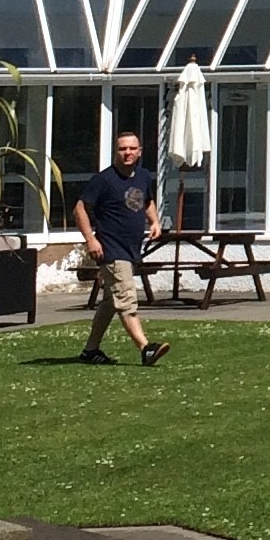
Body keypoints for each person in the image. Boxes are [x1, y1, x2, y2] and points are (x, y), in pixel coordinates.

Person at [73, 130, 171, 367]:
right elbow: (80, 209)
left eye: (131, 149)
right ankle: (145, 348)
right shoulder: (104, 180)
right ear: (115, 151)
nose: (127, 153)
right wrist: (91, 240)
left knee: (110, 302)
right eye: (122, 149)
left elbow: (146, 201)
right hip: (111, 249)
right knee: (126, 297)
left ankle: (90, 350)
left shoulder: (143, 176)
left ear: (139, 152)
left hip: (131, 249)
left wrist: (155, 221)